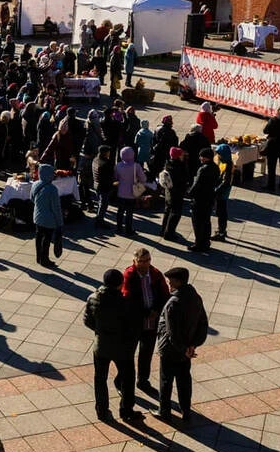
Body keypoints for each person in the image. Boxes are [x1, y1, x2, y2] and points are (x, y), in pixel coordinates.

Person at [84, 268, 141, 423]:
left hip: (101, 346)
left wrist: (100, 331)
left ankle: (102, 410)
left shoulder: (93, 298)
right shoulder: (125, 302)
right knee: (128, 378)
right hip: (122, 348)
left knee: (100, 378)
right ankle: (126, 410)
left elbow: (87, 321)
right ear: (120, 283)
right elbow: (133, 326)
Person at [155, 267, 209, 423]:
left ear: (178, 282)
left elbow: (172, 332)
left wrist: (183, 349)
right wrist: (193, 345)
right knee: (184, 381)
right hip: (186, 350)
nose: (169, 285)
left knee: (166, 380)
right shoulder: (195, 297)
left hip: (171, 350)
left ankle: (164, 411)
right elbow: (203, 323)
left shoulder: (173, 302)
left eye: (170, 282)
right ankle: (186, 411)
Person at [121, 248, 170, 394]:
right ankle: (121, 380)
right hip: (135, 321)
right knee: (128, 354)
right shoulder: (129, 275)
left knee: (146, 352)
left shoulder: (155, 274)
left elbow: (164, 294)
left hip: (151, 322)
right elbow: (128, 298)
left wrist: (155, 310)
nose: (144, 264)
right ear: (134, 261)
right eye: (141, 261)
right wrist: (145, 312)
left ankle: (143, 380)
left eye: (147, 260)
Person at [32, 164, 64, 267]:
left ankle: (38, 257)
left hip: (37, 216)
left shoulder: (35, 184)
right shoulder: (52, 189)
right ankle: (44, 260)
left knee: (38, 237)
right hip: (49, 220)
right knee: (46, 239)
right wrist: (60, 222)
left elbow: (32, 198)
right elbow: (56, 208)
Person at [187, 148, 218, 252]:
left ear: (206, 157)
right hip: (209, 198)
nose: (200, 158)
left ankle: (198, 243)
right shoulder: (215, 168)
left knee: (197, 222)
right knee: (206, 221)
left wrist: (189, 193)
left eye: (202, 156)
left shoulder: (203, 169)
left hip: (199, 199)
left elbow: (197, 184)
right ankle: (206, 242)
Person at [114, 146, 146, 237]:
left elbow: (116, 178)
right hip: (132, 193)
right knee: (129, 212)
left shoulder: (118, 165)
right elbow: (143, 179)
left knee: (120, 211)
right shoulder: (136, 166)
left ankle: (118, 228)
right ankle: (128, 229)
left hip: (121, 192)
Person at [159, 147, 189, 241]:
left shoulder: (168, 163)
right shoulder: (179, 166)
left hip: (169, 192)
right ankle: (169, 233)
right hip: (177, 193)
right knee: (175, 213)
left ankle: (164, 230)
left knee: (167, 211)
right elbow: (183, 179)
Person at [213, 144, 234, 241]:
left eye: (220, 154)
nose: (218, 156)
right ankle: (221, 230)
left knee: (221, 212)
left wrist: (216, 191)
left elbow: (225, 182)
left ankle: (221, 232)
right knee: (220, 211)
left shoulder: (228, 165)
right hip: (221, 190)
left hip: (222, 192)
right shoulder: (224, 162)